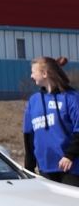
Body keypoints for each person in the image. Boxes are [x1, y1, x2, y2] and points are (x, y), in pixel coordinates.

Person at [22, 56, 79, 185]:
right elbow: (29, 136)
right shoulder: (33, 101)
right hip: (45, 169)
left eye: (33, 72)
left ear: (45, 73)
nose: (31, 76)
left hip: (71, 167)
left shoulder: (71, 98)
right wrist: (29, 167)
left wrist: (70, 155)